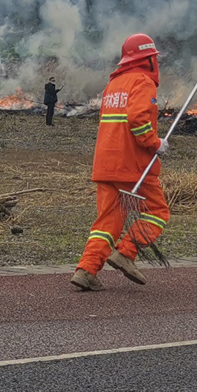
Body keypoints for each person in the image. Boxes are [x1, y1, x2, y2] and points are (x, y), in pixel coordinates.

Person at [72, 34, 168, 291]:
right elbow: (138, 119)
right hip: (133, 165)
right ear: (147, 59)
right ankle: (126, 253)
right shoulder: (143, 81)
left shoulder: (113, 85)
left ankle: (86, 270)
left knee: (107, 223)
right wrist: (155, 143)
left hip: (106, 164)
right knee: (158, 212)